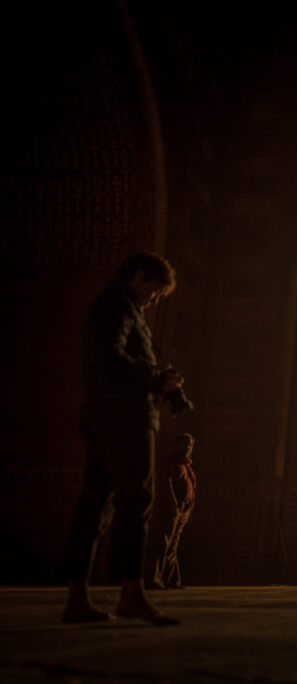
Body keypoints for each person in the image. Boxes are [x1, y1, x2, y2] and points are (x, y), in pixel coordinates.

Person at [59, 252, 184, 626]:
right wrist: (156, 378)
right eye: (155, 291)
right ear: (140, 276)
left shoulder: (118, 307)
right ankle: (131, 594)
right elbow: (109, 356)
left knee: (95, 503)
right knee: (137, 501)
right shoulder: (118, 306)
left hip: (106, 415)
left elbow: (112, 360)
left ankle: (77, 597)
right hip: (126, 419)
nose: (154, 300)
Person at [150, 433, 197, 589]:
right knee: (163, 543)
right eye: (185, 444)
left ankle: (170, 579)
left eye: (190, 445)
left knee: (172, 545)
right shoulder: (171, 463)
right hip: (172, 509)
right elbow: (165, 482)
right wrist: (173, 503)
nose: (188, 448)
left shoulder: (186, 465)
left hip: (183, 510)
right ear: (177, 446)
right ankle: (154, 578)